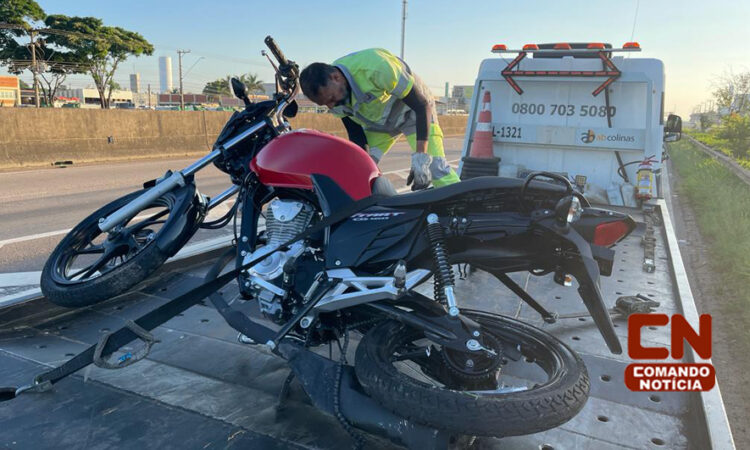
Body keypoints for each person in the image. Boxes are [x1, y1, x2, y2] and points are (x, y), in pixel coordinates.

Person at [300, 48, 460, 190]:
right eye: (325, 104)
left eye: (332, 99)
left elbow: (421, 105)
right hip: (378, 126)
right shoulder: (332, 98)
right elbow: (356, 135)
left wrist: (421, 158)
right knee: (360, 172)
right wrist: (360, 166)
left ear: (336, 77)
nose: (331, 106)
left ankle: (465, 209)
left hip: (411, 113)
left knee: (434, 167)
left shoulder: (376, 68)